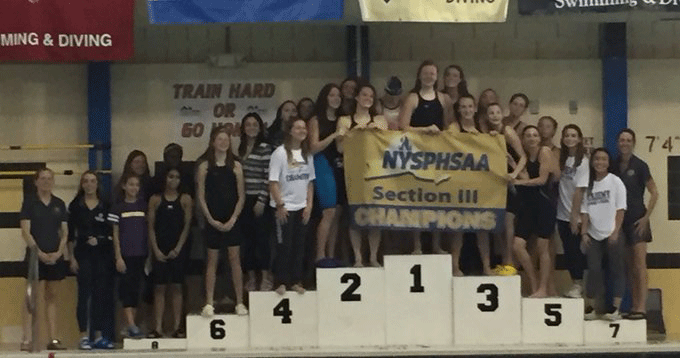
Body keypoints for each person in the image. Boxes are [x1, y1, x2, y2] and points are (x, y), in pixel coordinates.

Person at [398, 60, 455, 255]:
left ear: (437, 77)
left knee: (437, 200)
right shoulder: (412, 98)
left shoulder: (444, 99)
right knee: (417, 200)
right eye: (425, 73)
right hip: (416, 155)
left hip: (438, 156)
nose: (429, 76)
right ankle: (417, 245)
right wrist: (425, 130)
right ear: (419, 76)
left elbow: (449, 127)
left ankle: (436, 244)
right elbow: (403, 126)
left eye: (432, 73)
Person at [197, 126, 248, 316]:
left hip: (232, 220)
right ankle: (209, 302)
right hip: (213, 220)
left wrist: (233, 218)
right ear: (212, 142)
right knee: (212, 260)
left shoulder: (236, 166)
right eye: (220, 139)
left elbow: (241, 196)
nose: (223, 142)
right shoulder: (204, 167)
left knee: (235, 260)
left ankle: (240, 302)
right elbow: (201, 196)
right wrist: (210, 219)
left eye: (226, 139)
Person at [338, 83, 388, 267]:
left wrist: (376, 131)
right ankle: (358, 257)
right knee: (355, 216)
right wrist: (354, 133)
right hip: (353, 173)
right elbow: (340, 147)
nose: (368, 99)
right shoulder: (345, 121)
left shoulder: (380, 120)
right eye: (364, 95)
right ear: (357, 98)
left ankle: (373, 256)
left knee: (374, 217)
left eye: (371, 96)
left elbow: (387, 145)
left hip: (375, 173)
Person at [20, 168, 68, 351]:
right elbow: (25, 230)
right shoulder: (29, 204)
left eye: (50, 179)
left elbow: (64, 233)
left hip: (55, 255)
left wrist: (58, 252)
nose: (47, 182)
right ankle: (27, 338)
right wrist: (37, 252)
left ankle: (53, 338)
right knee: (31, 297)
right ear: (36, 182)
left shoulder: (59, 204)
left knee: (52, 296)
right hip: (35, 256)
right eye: (43, 179)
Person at [612, 129, 658, 320]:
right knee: (629, 266)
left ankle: (642, 307)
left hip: (637, 220)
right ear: (617, 143)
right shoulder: (612, 165)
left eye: (628, 140)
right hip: (619, 221)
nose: (625, 143)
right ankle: (633, 306)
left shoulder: (640, 166)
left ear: (633, 143)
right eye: (622, 140)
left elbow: (655, 192)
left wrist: (646, 217)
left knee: (640, 264)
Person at [68, 171, 115, 349]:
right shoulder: (75, 206)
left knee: (100, 294)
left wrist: (101, 240)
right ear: (82, 184)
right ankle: (83, 336)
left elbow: (113, 232)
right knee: (84, 295)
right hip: (83, 254)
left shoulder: (106, 205)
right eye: (86, 181)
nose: (89, 184)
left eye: (93, 181)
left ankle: (98, 335)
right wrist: (71, 257)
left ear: (97, 184)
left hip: (102, 255)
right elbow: (70, 235)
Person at [479, 103, 527, 276]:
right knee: (496, 226)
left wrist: (514, 173)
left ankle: (509, 262)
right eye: (491, 113)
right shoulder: (486, 134)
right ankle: (502, 261)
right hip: (493, 184)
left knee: (508, 224)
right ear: (486, 116)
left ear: (502, 114)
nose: (494, 115)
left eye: (497, 112)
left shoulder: (507, 132)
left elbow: (523, 156)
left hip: (509, 184)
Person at [269, 118, 315, 295]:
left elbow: (310, 182)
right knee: (284, 246)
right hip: (284, 207)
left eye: (304, 128)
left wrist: (309, 205)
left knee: (299, 246)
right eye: (298, 127)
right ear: (290, 131)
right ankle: (280, 281)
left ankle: (296, 280)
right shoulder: (279, 153)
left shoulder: (307, 154)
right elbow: (273, 182)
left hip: (301, 207)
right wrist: (280, 205)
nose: (302, 130)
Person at [448, 95, 493, 275]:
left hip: (479, 183)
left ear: (475, 109)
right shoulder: (454, 127)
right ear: (459, 110)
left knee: (482, 227)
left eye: (470, 107)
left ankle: (487, 266)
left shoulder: (481, 128)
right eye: (463, 107)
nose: (467, 110)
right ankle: (455, 265)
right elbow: (448, 145)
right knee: (458, 226)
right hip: (459, 182)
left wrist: (491, 139)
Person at [581, 148, 627, 321]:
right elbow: (584, 211)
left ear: (608, 163)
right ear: (593, 162)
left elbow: (620, 209)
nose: (600, 162)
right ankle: (591, 307)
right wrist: (584, 232)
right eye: (597, 159)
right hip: (593, 235)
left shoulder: (615, 182)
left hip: (613, 234)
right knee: (593, 270)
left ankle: (615, 309)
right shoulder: (588, 184)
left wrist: (615, 232)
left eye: (604, 159)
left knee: (617, 269)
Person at [147, 168, 193, 338]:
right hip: (160, 248)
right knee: (159, 287)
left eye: (177, 177)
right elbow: (150, 227)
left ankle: (177, 327)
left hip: (178, 249)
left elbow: (187, 226)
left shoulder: (186, 199)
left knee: (177, 287)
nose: (174, 180)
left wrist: (178, 248)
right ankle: (157, 327)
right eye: (170, 176)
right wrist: (156, 250)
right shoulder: (155, 200)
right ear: (165, 178)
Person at [512, 126, 557, 298]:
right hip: (528, 206)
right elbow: (522, 175)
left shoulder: (544, 151)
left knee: (542, 248)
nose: (531, 138)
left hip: (544, 204)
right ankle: (534, 283)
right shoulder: (523, 156)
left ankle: (543, 288)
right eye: (528, 136)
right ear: (523, 139)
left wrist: (518, 183)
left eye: (535, 135)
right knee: (517, 245)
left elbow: (542, 180)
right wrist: (512, 166)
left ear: (539, 138)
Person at [308, 84, 345, 262]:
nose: (336, 98)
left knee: (337, 212)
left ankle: (331, 255)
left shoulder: (341, 118)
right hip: (321, 163)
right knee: (328, 211)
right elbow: (313, 148)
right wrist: (334, 135)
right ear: (325, 97)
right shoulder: (316, 120)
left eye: (338, 95)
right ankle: (319, 255)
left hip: (338, 164)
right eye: (332, 95)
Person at [237, 112, 274, 291]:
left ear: (260, 128)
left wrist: (261, 200)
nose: (251, 127)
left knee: (262, 241)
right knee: (248, 242)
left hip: (260, 201)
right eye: (248, 124)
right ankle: (251, 277)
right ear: (243, 128)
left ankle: (266, 278)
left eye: (254, 124)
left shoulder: (265, 148)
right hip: (244, 200)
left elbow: (269, 176)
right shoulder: (240, 150)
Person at [109, 174, 148, 337]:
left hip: (141, 254)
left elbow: (148, 230)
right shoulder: (117, 208)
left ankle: (132, 324)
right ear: (124, 186)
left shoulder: (143, 206)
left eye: (136, 185)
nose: (134, 188)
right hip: (125, 255)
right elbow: (115, 234)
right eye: (131, 184)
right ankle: (130, 324)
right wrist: (118, 257)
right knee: (126, 290)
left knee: (137, 289)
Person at [557, 124, 589, 299]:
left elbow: (579, 190)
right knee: (568, 250)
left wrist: (574, 215)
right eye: (567, 135)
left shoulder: (583, 161)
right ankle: (574, 283)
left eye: (573, 135)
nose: (570, 138)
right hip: (561, 214)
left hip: (575, 215)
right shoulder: (561, 159)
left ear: (579, 138)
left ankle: (579, 285)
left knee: (576, 252)